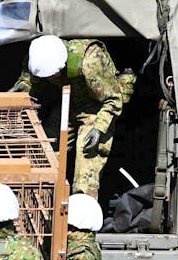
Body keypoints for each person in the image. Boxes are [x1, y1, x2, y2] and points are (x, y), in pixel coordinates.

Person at [11, 35, 135, 198]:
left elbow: (113, 99)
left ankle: (81, 214)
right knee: (44, 152)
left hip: (98, 108)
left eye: (52, 75)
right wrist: (21, 90)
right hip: (68, 103)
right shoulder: (39, 54)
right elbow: (29, 80)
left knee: (87, 163)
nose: (49, 79)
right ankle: (41, 204)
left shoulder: (90, 60)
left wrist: (99, 128)